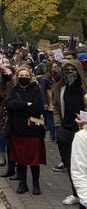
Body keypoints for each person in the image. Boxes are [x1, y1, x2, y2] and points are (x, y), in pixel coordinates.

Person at [5, 66, 46, 194]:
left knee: (34, 160)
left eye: (26, 75)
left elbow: (38, 108)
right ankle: (22, 184)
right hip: (17, 130)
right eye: (21, 75)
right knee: (20, 159)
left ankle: (36, 183)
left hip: (33, 130)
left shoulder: (36, 89)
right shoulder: (13, 89)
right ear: (17, 77)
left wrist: (21, 107)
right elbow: (9, 105)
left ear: (30, 76)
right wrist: (25, 104)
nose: (24, 77)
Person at [53, 59, 87, 206]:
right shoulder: (60, 88)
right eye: (66, 71)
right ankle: (76, 193)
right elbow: (55, 107)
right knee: (71, 164)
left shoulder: (84, 89)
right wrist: (58, 125)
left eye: (72, 70)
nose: (69, 73)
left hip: (83, 131)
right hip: (66, 131)